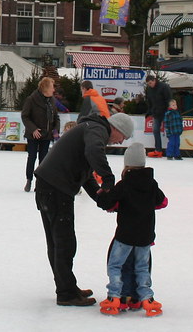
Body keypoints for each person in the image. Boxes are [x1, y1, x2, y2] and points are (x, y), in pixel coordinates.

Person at [33, 111, 135, 306]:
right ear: (116, 128)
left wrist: (100, 198)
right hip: (56, 190)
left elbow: (85, 173)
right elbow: (93, 153)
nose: (121, 141)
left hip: (50, 187)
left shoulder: (90, 129)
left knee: (58, 242)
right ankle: (66, 293)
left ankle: (67, 287)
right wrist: (108, 178)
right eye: (123, 136)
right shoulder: (97, 130)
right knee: (64, 242)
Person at [95, 142, 167, 317]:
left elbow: (107, 203)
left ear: (127, 164)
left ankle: (115, 297)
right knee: (142, 267)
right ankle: (144, 298)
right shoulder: (151, 184)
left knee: (116, 265)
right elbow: (163, 202)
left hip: (125, 236)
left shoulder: (124, 184)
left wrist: (102, 192)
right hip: (145, 236)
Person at [22, 77, 61, 192]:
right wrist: (33, 129)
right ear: (45, 88)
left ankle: (40, 182)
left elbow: (56, 118)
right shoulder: (31, 99)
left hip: (47, 134)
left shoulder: (52, 100)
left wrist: (55, 130)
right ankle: (29, 179)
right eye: (52, 87)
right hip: (34, 135)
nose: (54, 90)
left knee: (44, 159)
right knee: (32, 156)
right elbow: (25, 116)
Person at [144, 75, 171, 158]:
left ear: (154, 80)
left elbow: (168, 99)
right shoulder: (149, 89)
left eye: (151, 83)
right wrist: (149, 111)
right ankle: (158, 150)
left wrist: (169, 111)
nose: (150, 85)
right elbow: (149, 101)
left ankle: (171, 150)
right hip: (156, 113)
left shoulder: (163, 87)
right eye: (148, 84)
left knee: (170, 132)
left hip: (166, 112)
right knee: (155, 130)